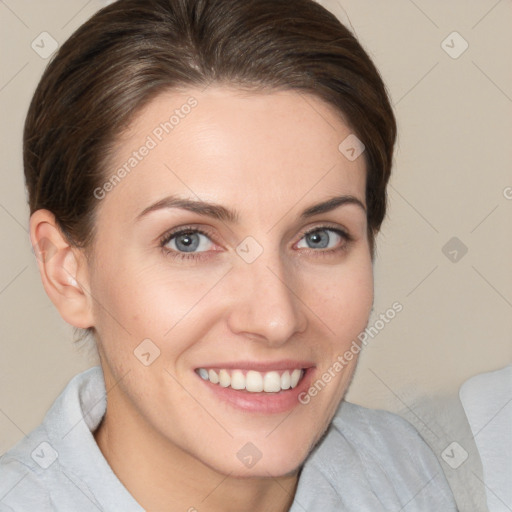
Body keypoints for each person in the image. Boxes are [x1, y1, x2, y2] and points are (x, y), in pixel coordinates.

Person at [0, 0, 457, 510]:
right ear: (68, 273)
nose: (275, 319)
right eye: (188, 240)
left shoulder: (414, 471)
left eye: (320, 237)